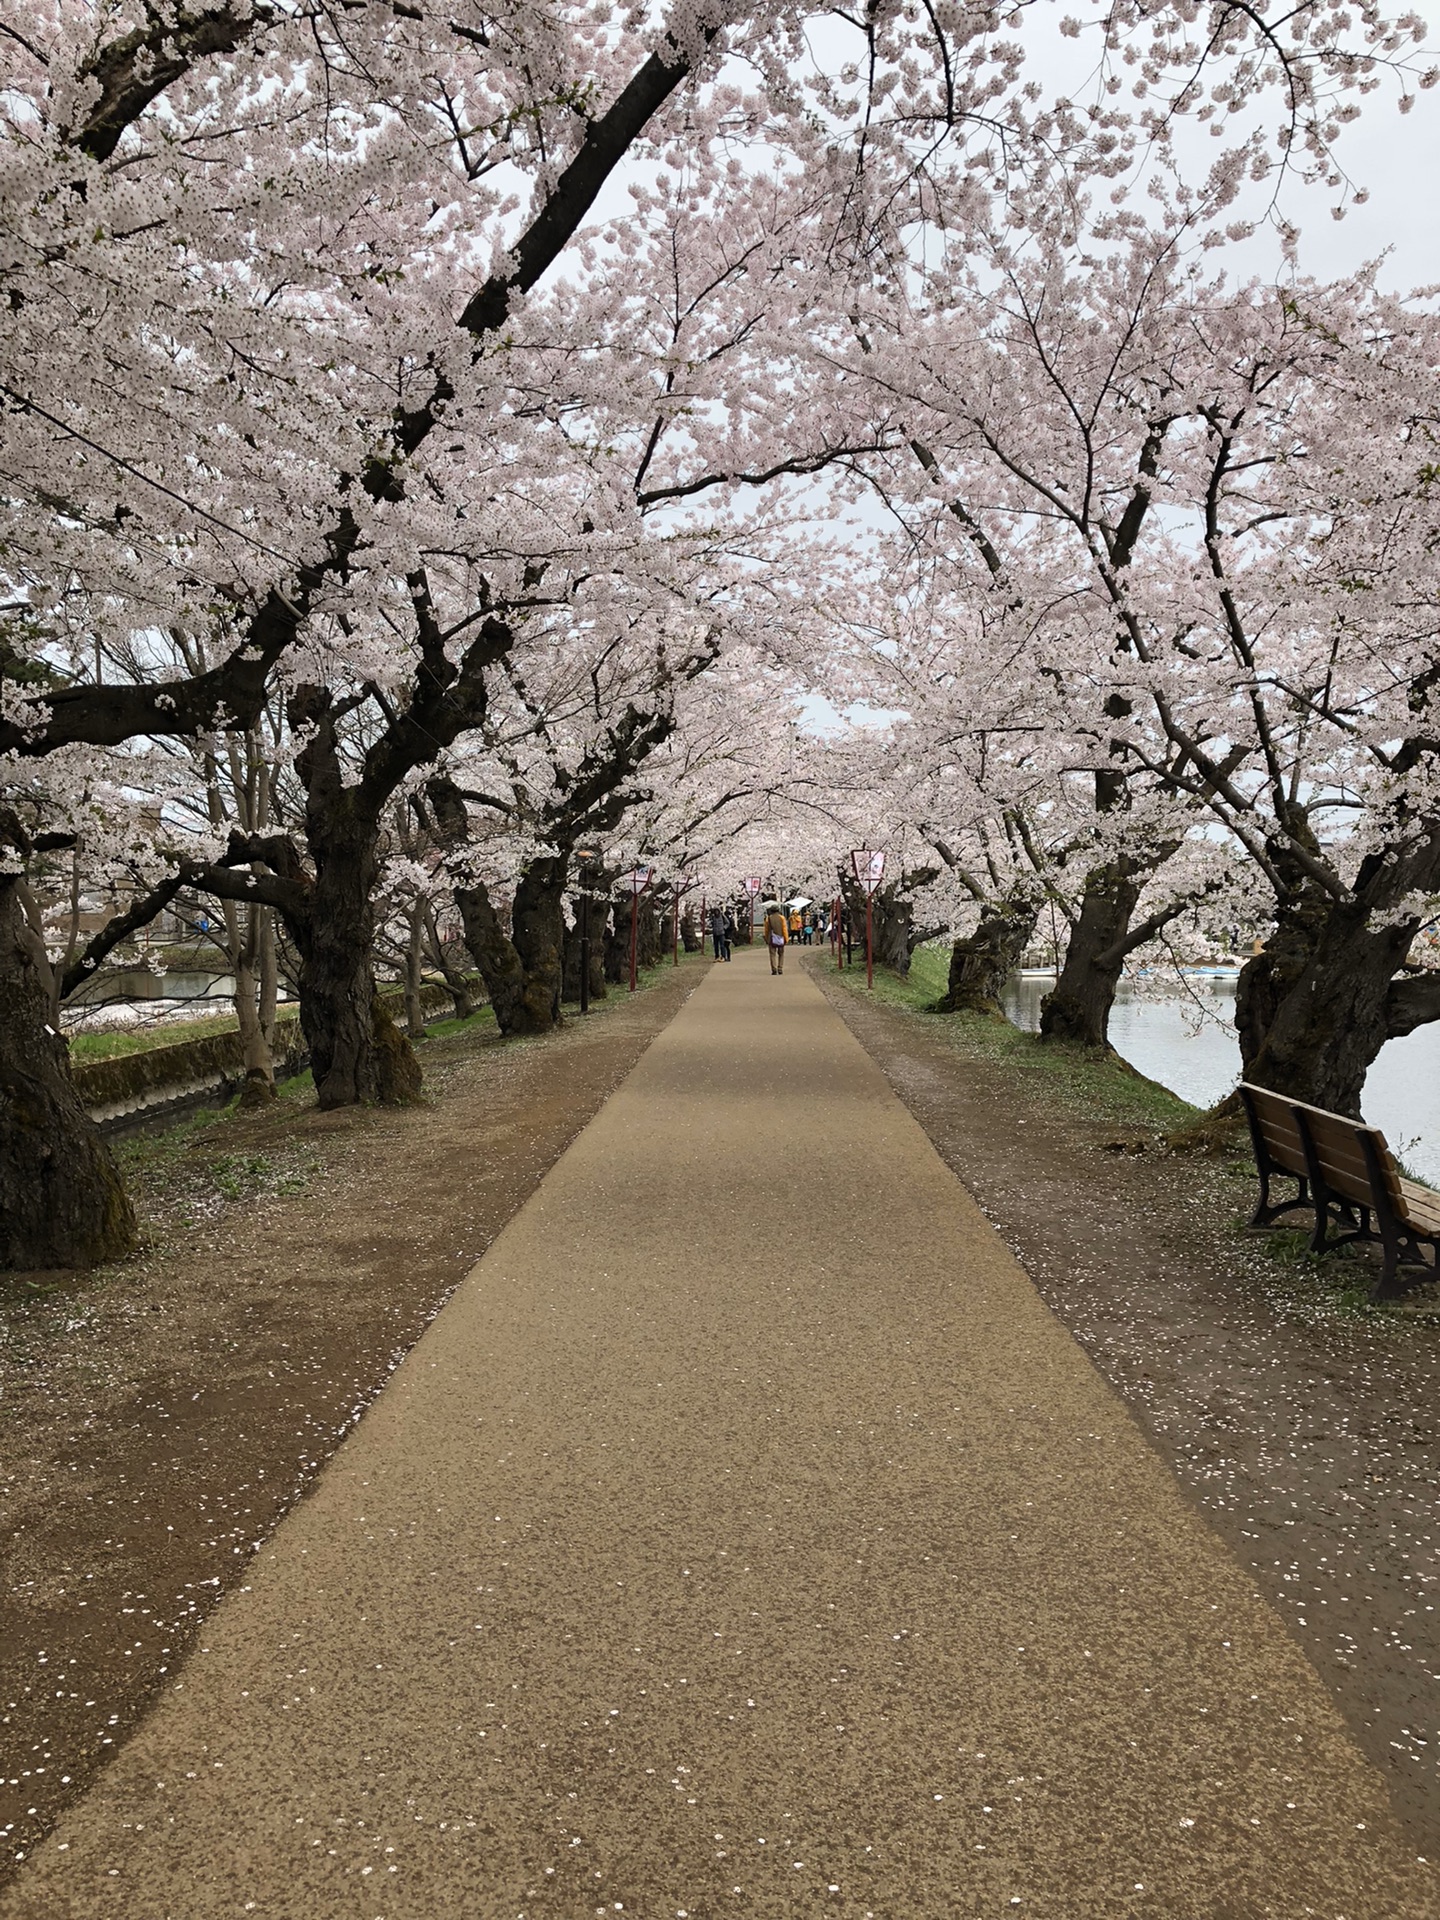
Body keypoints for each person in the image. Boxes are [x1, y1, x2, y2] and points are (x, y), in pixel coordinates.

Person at [762, 899, 789, 975]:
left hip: (771, 938)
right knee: (781, 954)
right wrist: (786, 939)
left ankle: (774, 968)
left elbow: (766, 930)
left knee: (772, 954)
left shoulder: (769, 918)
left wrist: (766, 938)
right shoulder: (782, 918)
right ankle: (780, 968)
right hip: (780, 937)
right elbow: (784, 929)